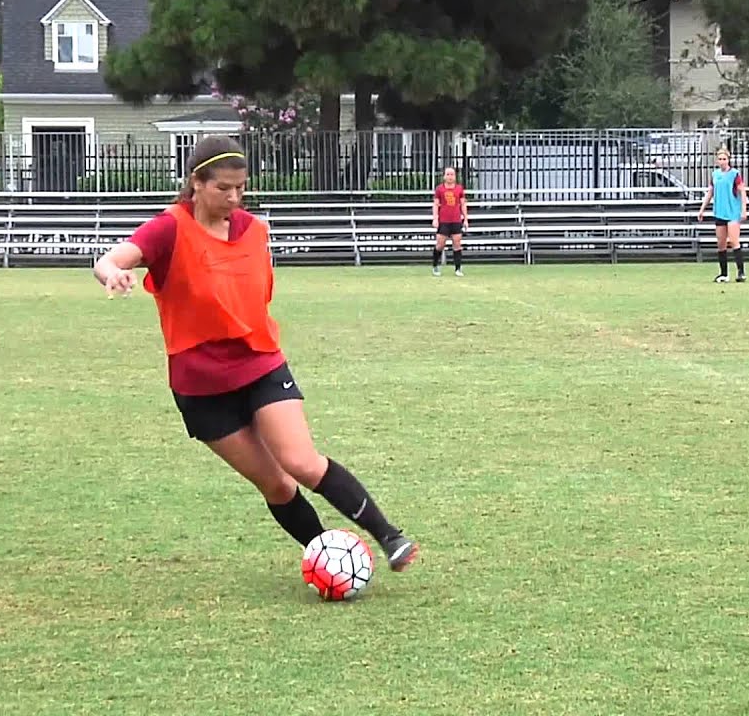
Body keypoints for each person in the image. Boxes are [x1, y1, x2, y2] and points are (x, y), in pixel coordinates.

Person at [91, 135, 419, 572]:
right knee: (277, 485)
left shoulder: (254, 231)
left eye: (241, 188)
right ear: (196, 183)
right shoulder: (170, 228)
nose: (234, 197)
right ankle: (330, 557)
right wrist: (114, 273)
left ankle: (390, 537)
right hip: (201, 385)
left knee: (301, 462)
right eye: (223, 188)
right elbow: (110, 259)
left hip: (259, 362)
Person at [697, 148, 748, 283]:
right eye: (720, 159)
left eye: (724, 159)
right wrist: (702, 209)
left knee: (733, 241)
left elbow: (742, 192)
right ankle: (724, 273)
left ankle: (741, 271)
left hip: (732, 212)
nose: (722, 161)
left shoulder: (734, 174)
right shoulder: (715, 175)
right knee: (721, 243)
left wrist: (744, 209)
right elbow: (710, 192)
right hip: (719, 211)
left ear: (728, 160)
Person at [431, 166, 468, 276]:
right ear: (444, 176)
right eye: (448, 174)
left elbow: (463, 204)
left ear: (455, 176)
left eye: (452, 174)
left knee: (457, 244)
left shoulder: (459, 189)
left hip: (456, 220)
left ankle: (458, 268)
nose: (450, 177)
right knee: (440, 244)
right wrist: (435, 218)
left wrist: (465, 218)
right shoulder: (439, 189)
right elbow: (436, 204)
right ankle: (435, 265)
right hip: (444, 221)